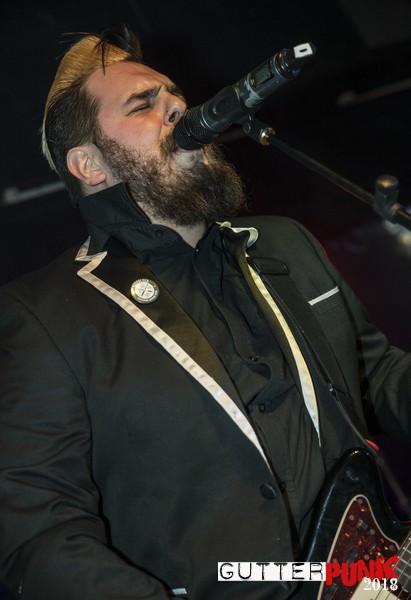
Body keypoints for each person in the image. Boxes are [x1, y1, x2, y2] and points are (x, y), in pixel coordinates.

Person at [0, 23, 410, 600]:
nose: (177, 107)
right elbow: (38, 533)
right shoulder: (44, 314)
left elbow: (377, 376)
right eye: (143, 104)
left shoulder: (285, 244)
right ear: (89, 164)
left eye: (176, 96)